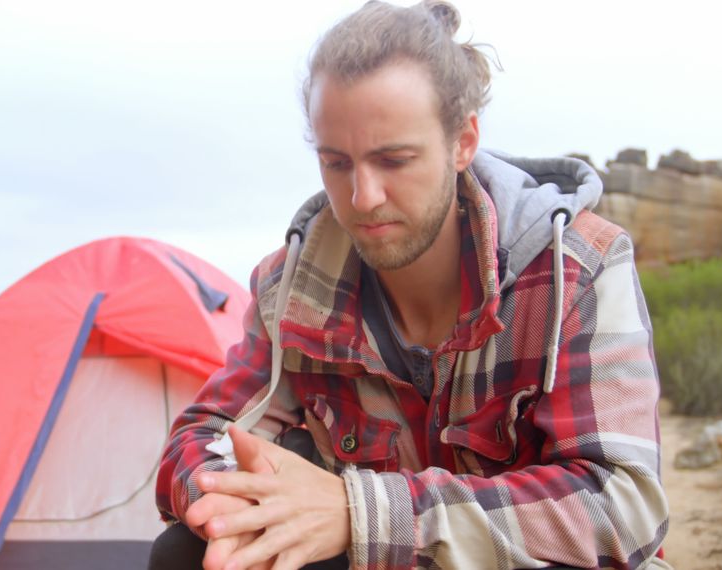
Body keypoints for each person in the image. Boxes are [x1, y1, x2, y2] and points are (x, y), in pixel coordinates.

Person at [153, 1, 669, 568]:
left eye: (393, 160)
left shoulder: (578, 270)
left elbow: (623, 508)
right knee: (186, 552)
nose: (362, 197)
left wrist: (362, 512)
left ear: (463, 141)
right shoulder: (291, 289)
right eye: (337, 163)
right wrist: (239, 504)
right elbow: (199, 436)